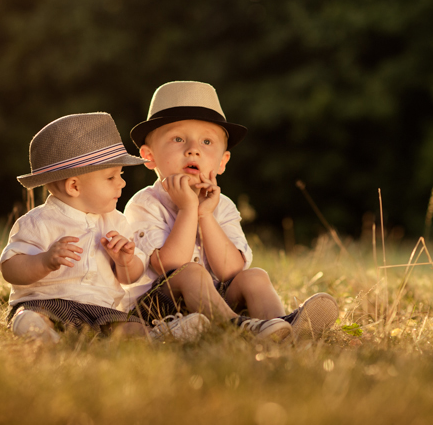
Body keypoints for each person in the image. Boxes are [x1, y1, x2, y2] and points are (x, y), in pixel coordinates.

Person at [123, 81, 339, 342]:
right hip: (158, 310)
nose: (193, 149)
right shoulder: (144, 204)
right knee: (191, 272)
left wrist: (205, 215)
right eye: (177, 138)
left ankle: (279, 328)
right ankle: (238, 328)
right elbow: (169, 267)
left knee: (254, 277)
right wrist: (189, 209)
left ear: (222, 161)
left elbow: (229, 271)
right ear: (149, 157)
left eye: (206, 141)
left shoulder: (221, 205)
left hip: (214, 302)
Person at [0, 112, 209, 343]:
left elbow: (132, 276)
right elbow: (10, 269)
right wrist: (43, 261)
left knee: (128, 326)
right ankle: (38, 331)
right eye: (111, 178)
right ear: (74, 186)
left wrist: (125, 261)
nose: (122, 182)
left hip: (101, 308)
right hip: (47, 300)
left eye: (120, 175)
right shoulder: (38, 222)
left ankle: (159, 336)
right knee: (34, 314)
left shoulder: (116, 221)